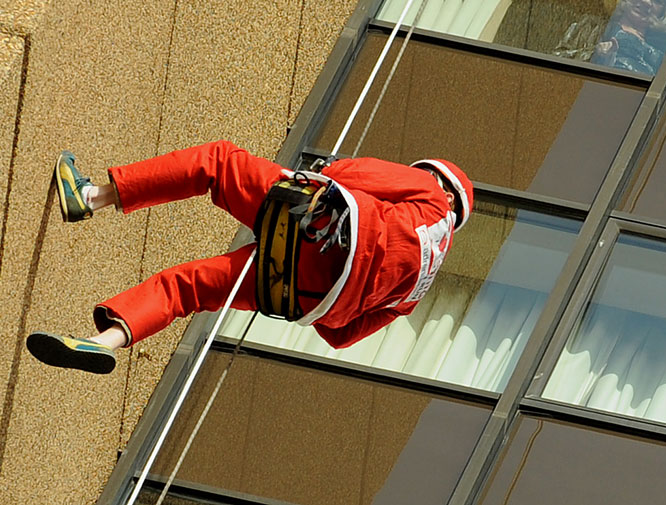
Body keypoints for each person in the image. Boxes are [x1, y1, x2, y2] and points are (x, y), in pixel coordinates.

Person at [26, 141, 473, 374]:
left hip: (313, 221)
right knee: (188, 289)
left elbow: (350, 175)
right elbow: (342, 338)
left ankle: (88, 196)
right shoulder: (420, 289)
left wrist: (329, 179)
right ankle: (103, 343)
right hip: (303, 293)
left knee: (217, 164)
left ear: (435, 177)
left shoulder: (432, 194)